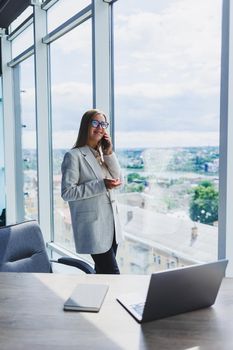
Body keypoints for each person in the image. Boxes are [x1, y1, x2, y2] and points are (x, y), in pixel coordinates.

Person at [61, 109, 123, 274]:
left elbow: (119, 180)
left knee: (103, 275)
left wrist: (109, 153)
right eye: (95, 123)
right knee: (113, 275)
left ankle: (100, 299)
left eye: (103, 124)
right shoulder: (74, 156)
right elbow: (67, 192)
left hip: (112, 226)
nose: (100, 127)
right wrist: (101, 185)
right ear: (85, 126)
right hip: (94, 227)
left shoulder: (102, 156)